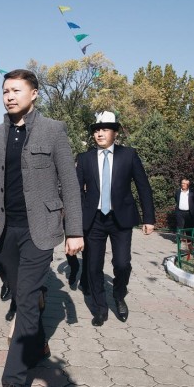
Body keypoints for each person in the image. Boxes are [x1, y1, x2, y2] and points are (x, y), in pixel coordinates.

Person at [0, 69, 83, 387]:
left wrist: (74, 231)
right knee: (15, 284)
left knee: (26, 302)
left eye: (16, 90)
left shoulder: (54, 130)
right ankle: (39, 340)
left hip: (40, 230)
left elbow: (69, 182)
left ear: (34, 94)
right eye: (5, 91)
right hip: (3, 229)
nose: (10, 96)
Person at [76, 111, 155, 327]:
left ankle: (119, 295)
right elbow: (76, 190)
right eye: (96, 130)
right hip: (93, 220)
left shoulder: (128, 155)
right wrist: (79, 216)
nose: (99, 134)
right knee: (93, 267)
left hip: (121, 219)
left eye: (105, 129)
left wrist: (149, 218)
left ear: (115, 133)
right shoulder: (85, 158)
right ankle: (100, 308)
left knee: (122, 263)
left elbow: (143, 186)